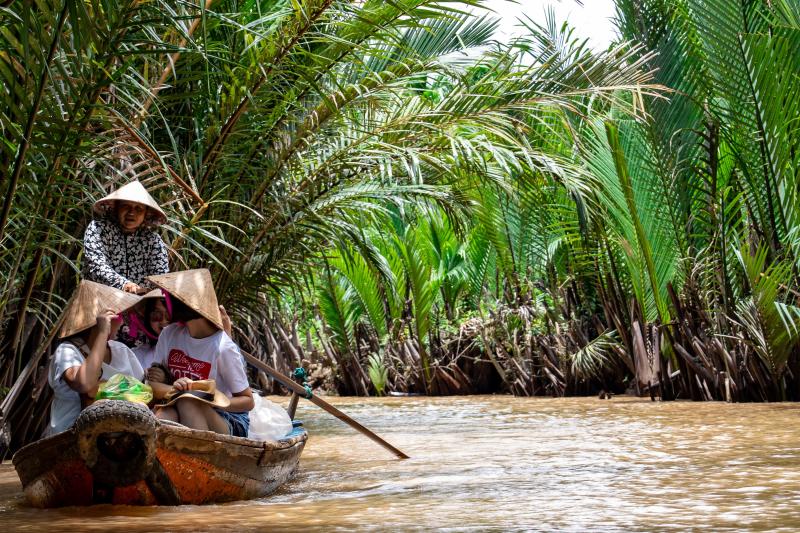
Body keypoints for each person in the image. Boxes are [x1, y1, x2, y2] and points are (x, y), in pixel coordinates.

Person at [147, 269, 254, 437]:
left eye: (170, 299)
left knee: (188, 402)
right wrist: (177, 389)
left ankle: (200, 458)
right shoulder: (169, 334)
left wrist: (209, 398)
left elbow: (247, 401)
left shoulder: (223, 348)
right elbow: (152, 384)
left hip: (228, 418)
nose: (166, 304)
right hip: (180, 405)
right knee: (166, 415)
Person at [45, 281, 144, 436]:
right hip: (70, 436)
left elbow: (142, 389)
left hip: (122, 435)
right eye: (118, 316)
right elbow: (85, 384)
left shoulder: (121, 350)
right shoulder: (67, 351)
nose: (123, 321)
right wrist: (102, 332)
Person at [83, 179, 169, 295]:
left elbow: (161, 278)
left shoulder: (152, 241)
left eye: (138, 208)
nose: (131, 213)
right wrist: (124, 285)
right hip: (101, 299)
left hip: (139, 304)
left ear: (146, 214)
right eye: (126, 206)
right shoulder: (99, 229)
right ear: (116, 208)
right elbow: (96, 266)